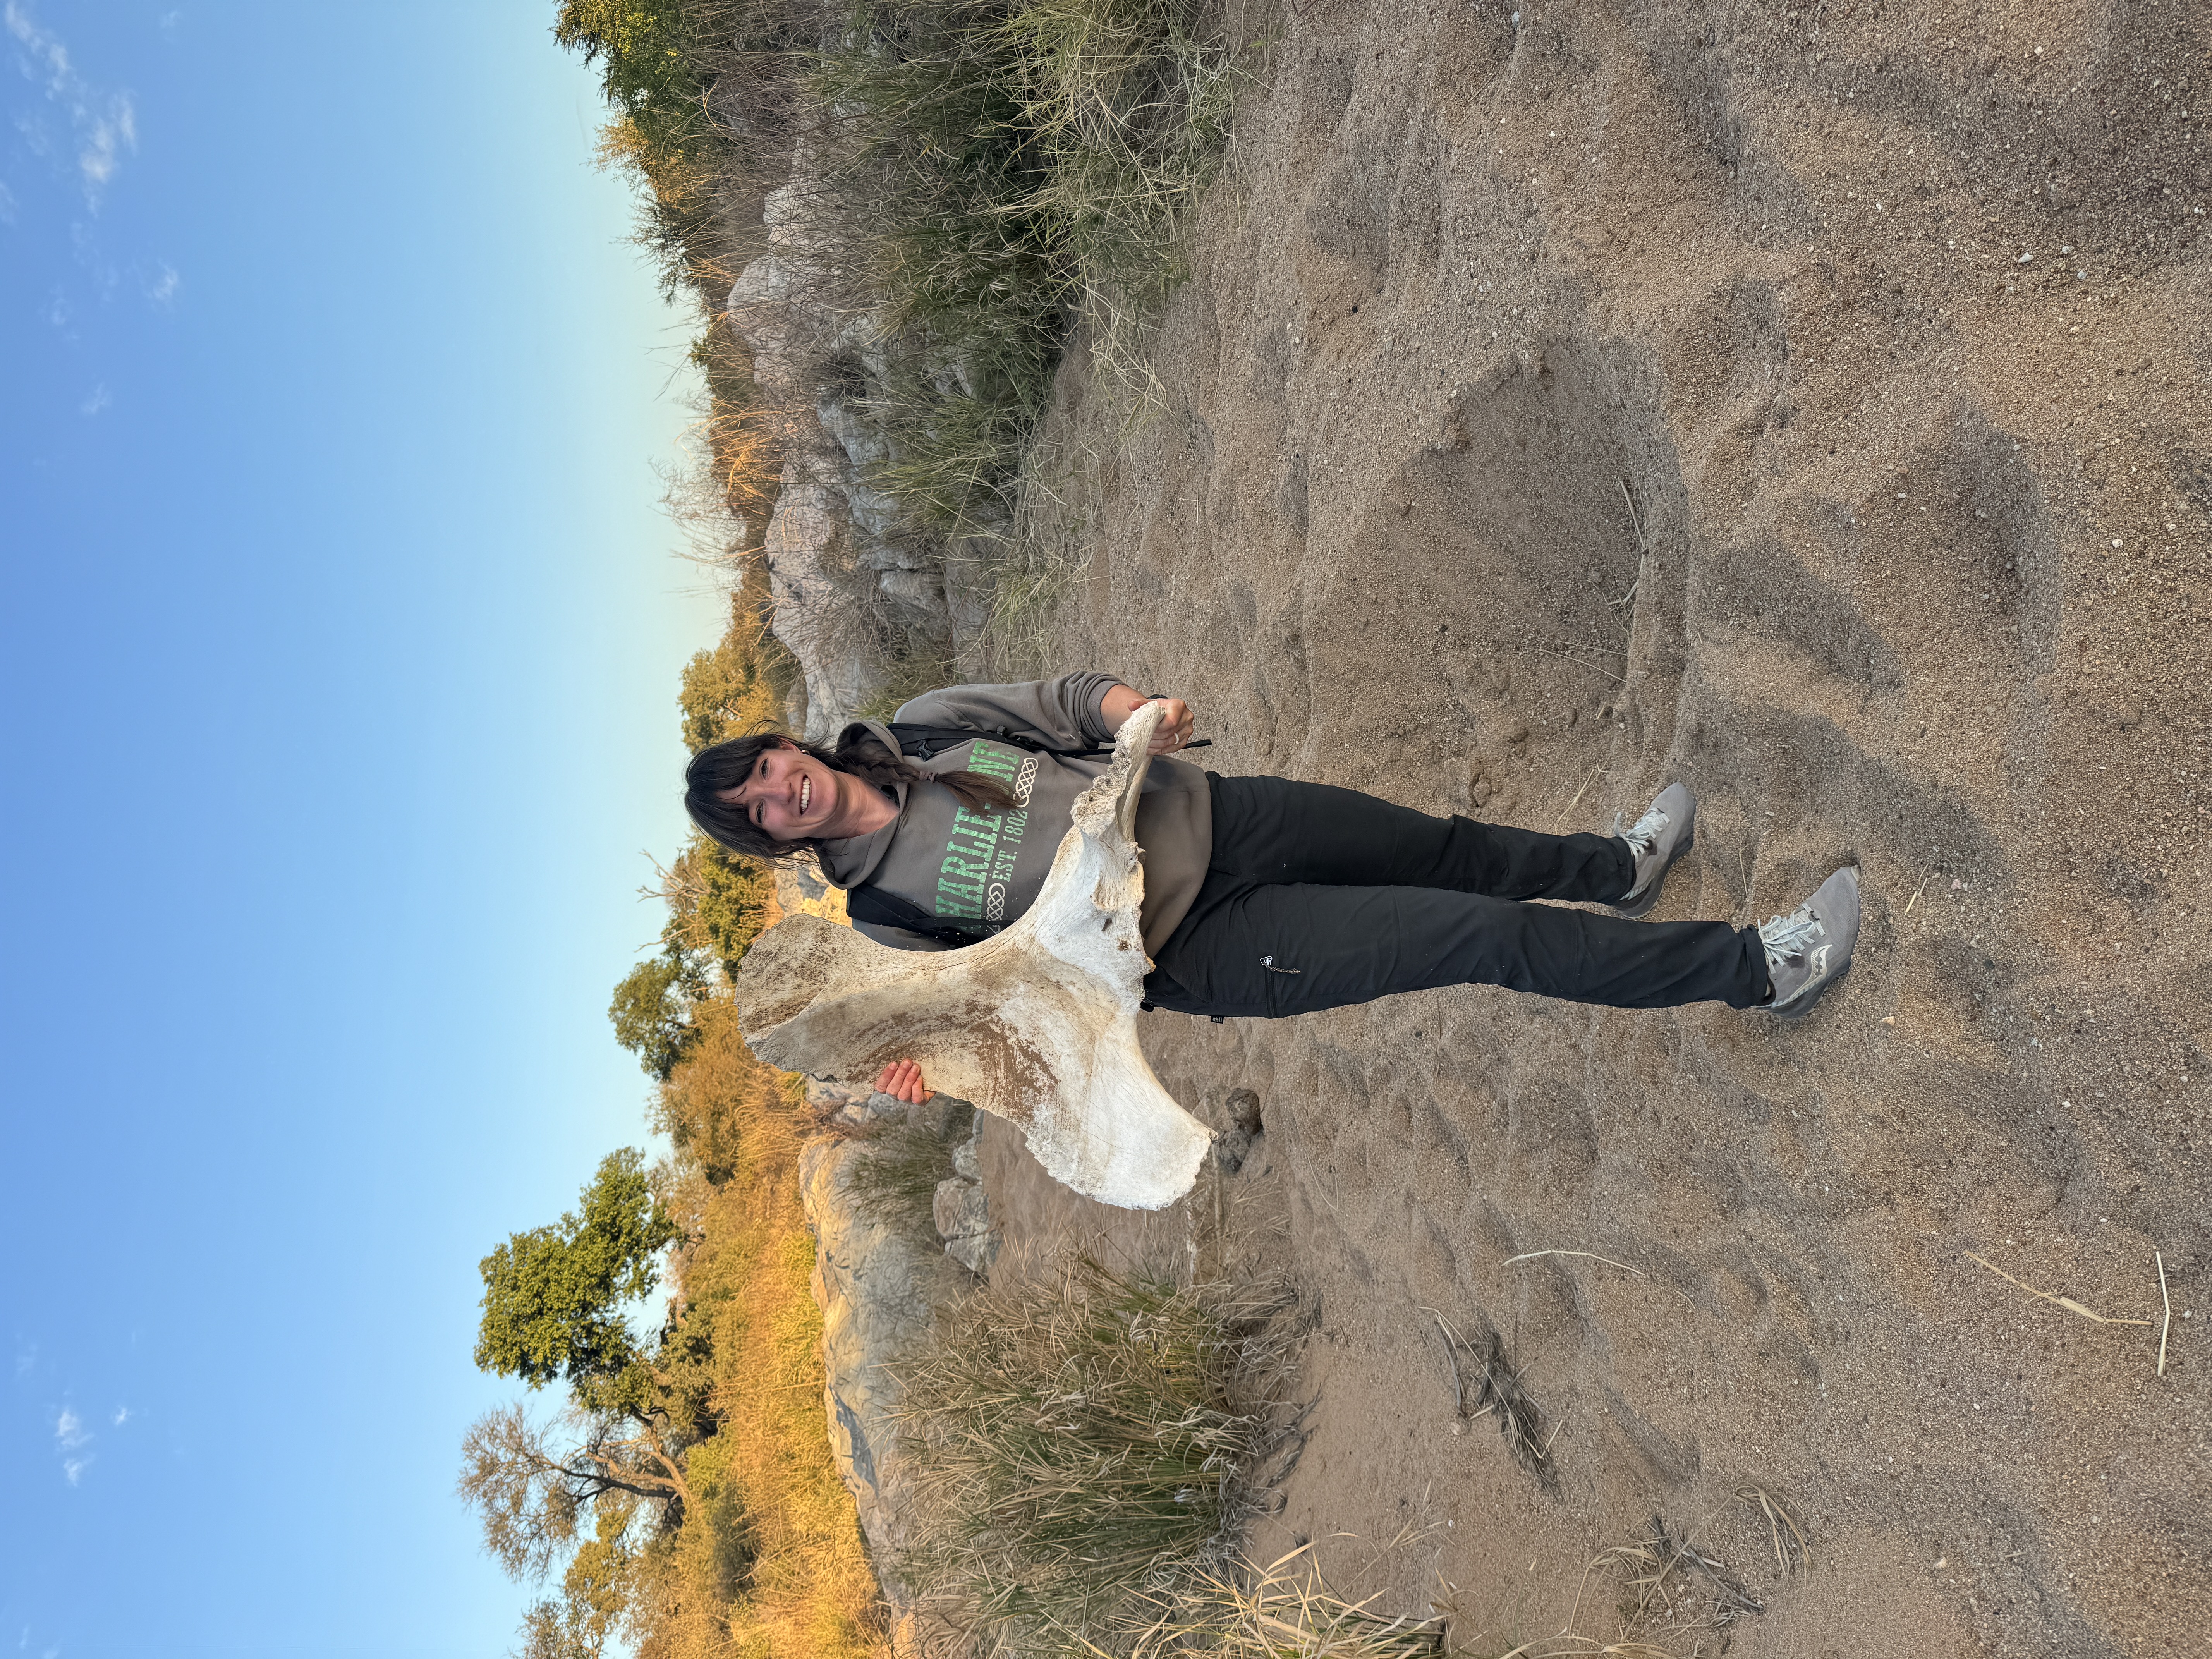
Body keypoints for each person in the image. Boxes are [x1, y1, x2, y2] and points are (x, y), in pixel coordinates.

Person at [684, 673, 1860, 1103]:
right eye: (755, 812)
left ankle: (1618, 869)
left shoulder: (925, 728)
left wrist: (1128, 712)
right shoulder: (883, 916)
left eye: (765, 769)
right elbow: (983, 1020)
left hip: (1221, 812)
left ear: (786, 747)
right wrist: (926, 1068)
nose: (778, 792)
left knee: (1446, 845)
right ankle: (1763, 969)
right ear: (768, 841)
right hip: (1211, 942)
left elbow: (1061, 703)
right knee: (1482, 935)